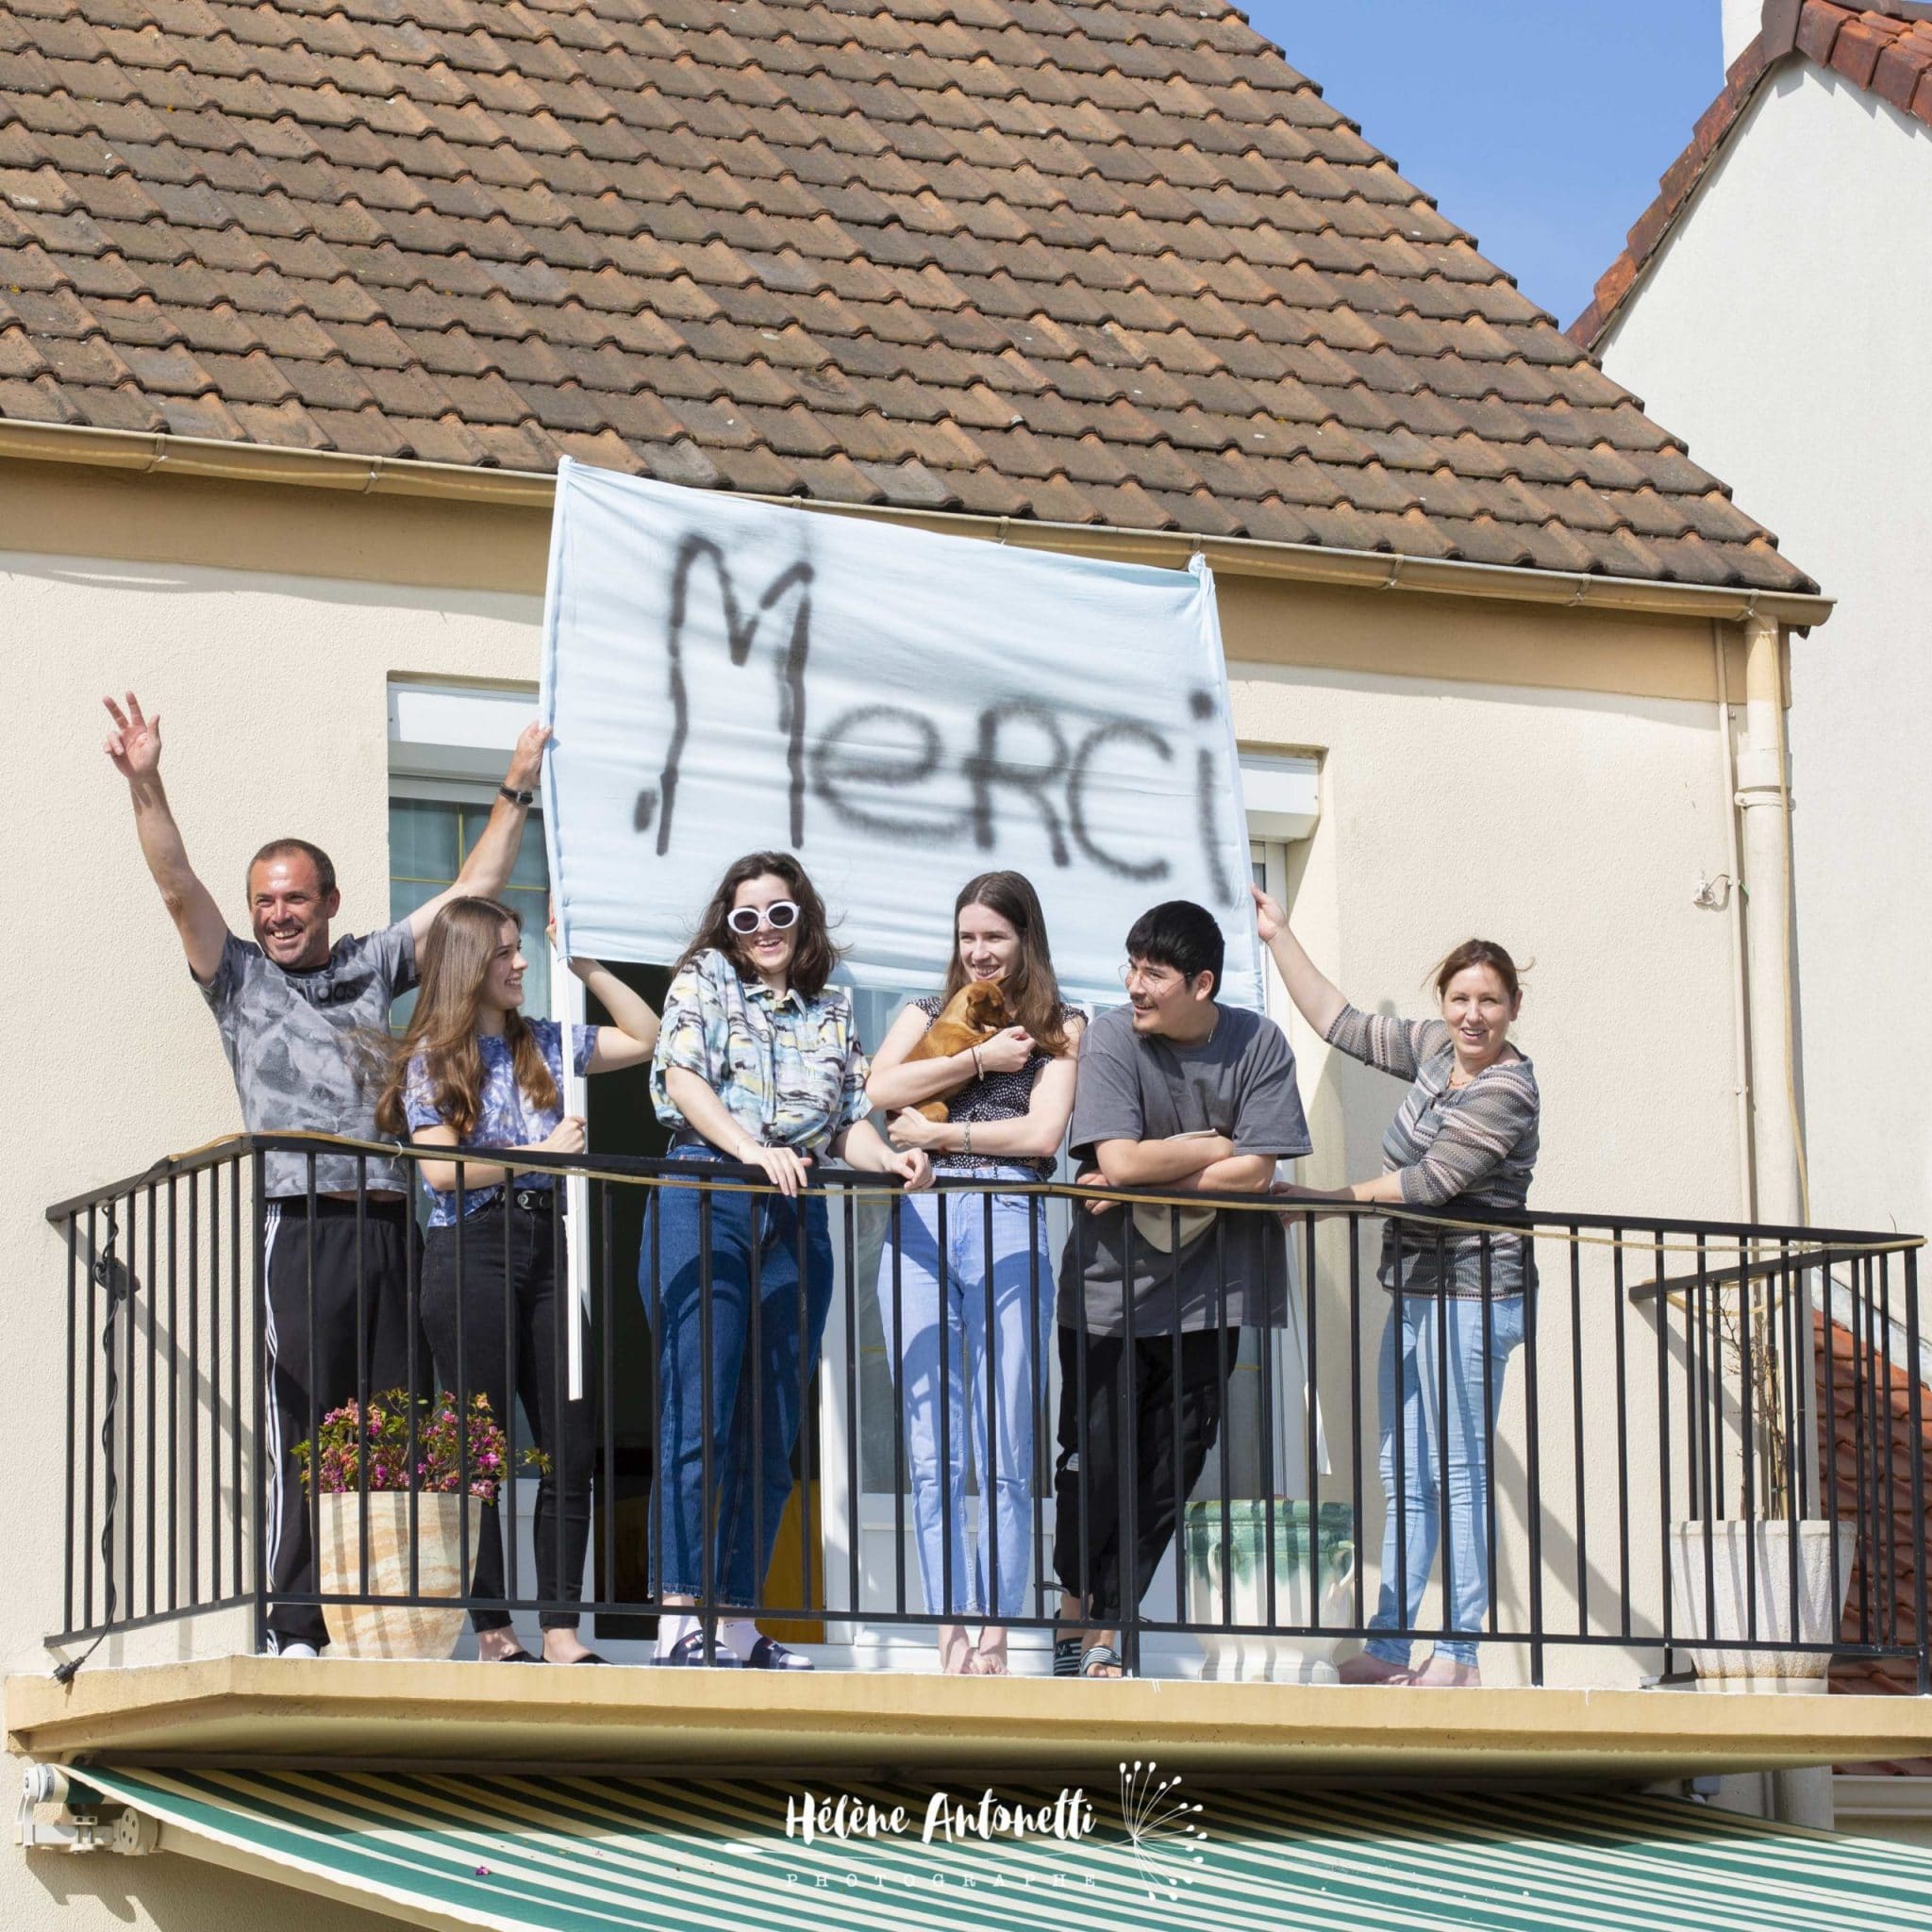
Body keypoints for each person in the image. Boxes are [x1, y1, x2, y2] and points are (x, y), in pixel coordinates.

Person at [102, 691, 548, 1657]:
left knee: (388, 1425)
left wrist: (515, 785)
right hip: (297, 1225)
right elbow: (179, 885)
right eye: (265, 899)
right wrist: (147, 782)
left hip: (393, 1221)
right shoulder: (238, 978)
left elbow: (471, 894)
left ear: (328, 901)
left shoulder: (369, 963)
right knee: (303, 1416)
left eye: (292, 898)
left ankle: (385, 1614)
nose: (275, 914)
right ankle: (295, 1621)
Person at [644, 852, 932, 1668]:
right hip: (707, 1193)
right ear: (726, 928)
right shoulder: (705, 977)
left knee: (772, 1429)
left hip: (794, 1214)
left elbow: (846, 1121)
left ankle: (736, 1623)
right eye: (746, 918)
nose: (764, 930)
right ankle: (680, 1621)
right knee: (699, 1412)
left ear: (802, 917)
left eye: (780, 914)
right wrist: (748, 1149)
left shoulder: (832, 1010)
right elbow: (681, 1078)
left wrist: (891, 1162)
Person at [1255, 884, 1540, 1690]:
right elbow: (1341, 1023)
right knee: (1401, 1468)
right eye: (1459, 998)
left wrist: (1319, 1202)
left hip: (1478, 1294)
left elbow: (1430, 1183)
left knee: (1458, 1471)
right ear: (1442, 1003)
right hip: (1416, 1286)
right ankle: (1389, 1647)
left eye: (1489, 1000)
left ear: (1514, 1006)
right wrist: (1278, 936)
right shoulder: (1438, 1054)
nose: (1472, 1014)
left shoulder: (1508, 1090)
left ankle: (1460, 1654)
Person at [374, 897, 658, 1663]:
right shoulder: (433, 1054)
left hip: (547, 1247)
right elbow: (441, 1169)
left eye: (522, 949)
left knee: (572, 1440)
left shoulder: (549, 1043)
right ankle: (495, 1630)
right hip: (471, 1250)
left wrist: (587, 964)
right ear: (472, 962)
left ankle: (561, 1631)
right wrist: (544, 1158)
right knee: (481, 1448)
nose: (520, 963)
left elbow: (646, 1036)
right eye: (507, 951)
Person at [1055, 900, 1311, 1679]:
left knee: (1170, 1472)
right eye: (1130, 967)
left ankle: (1108, 1638)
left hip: (1216, 1293)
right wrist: (1213, 1145)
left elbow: (1260, 1171)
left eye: (1153, 974)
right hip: (1107, 1293)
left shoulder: (1258, 1042)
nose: (1135, 986)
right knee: (1095, 1461)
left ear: (1202, 983)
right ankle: (1074, 1620)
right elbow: (1119, 1162)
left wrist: (1164, 1166)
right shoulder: (1107, 1037)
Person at [866, 873, 1083, 1675]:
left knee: (1003, 1439)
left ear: (1027, 938)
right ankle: (949, 1633)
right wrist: (979, 1060)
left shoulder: (1062, 1023)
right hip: (919, 1220)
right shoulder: (925, 1014)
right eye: (967, 937)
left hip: (1006, 1214)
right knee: (931, 1445)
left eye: (994, 936)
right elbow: (876, 1092)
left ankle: (995, 1634)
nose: (979, 952)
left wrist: (941, 1134)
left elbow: (1041, 1134)